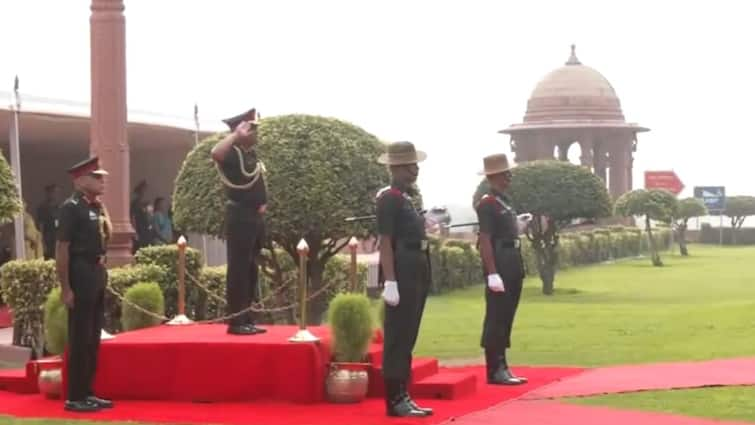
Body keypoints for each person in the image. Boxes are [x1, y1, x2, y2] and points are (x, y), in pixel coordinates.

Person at [376, 141, 433, 417]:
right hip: (402, 268)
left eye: (416, 165)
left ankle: (403, 393)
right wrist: (390, 281)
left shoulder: (405, 198)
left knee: (408, 333)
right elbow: (385, 241)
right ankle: (395, 398)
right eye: (410, 165)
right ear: (396, 167)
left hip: (416, 266)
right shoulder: (389, 197)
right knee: (398, 335)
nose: (416, 169)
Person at [55, 156, 113, 412]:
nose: (102, 181)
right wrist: (66, 287)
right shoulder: (71, 208)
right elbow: (62, 248)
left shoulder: (96, 207)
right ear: (80, 181)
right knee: (79, 337)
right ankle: (75, 396)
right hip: (79, 271)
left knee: (93, 336)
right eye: (96, 177)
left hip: (96, 271)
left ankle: (88, 392)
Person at [474, 153, 532, 385]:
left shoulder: (504, 202)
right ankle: (494, 367)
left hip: (511, 256)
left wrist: (518, 224)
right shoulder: (487, 203)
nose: (509, 176)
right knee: (496, 315)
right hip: (499, 258)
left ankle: (502, 364)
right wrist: (492, 272)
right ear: (494, 176)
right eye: (505, 173)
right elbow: (486, 239)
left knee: (507, 313)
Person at [210, 108, 267, 335]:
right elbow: (215, 153)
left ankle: (246, 317)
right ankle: (236, 321)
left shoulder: (248, 154)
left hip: (253, 217)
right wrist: (236, 135)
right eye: (252, 128)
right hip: (240, 216)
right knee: (239, 269)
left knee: (251, 269)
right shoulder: (232, 152)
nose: (256, 133)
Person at [36, 184, 60, 260]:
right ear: (48, 193)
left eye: (57, 192)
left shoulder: (59, 206)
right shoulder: (43, 208)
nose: (56, 195)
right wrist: (42, 241)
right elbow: (41, 224)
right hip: (48, 236)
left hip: (58, 235)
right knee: (49, 256)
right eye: (54, 192)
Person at [130, 180, 152, 253]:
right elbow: (133, 217)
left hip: (145, 230)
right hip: (139, 230)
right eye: (143, 190)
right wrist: (135, 231)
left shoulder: (144, 204)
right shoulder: (135, 203)